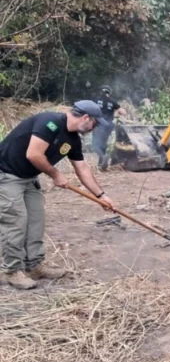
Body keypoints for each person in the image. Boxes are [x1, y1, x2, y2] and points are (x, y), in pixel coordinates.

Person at [0, 101, 116, 289]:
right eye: (95, 124)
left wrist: (101, 196)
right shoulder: (49, 122)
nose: (94, 128)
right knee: (15, 221)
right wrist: (56, 174)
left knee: (36, 219)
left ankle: (34, 266)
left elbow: (82, 168)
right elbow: (34, 154)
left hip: (28, 177)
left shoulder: (73, 140)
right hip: (6, 174)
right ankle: (13, 271)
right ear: (86, 118)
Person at [92, 86, 126, 170]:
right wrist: (117, 114)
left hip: (99, 124)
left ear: (101, 92)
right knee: (103, 144)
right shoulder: (112, 101)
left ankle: (103, 157)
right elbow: (123, 112)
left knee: (95, 144)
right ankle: (101, 164)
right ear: (109, 93)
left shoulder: (96, 100)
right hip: (109, 125)